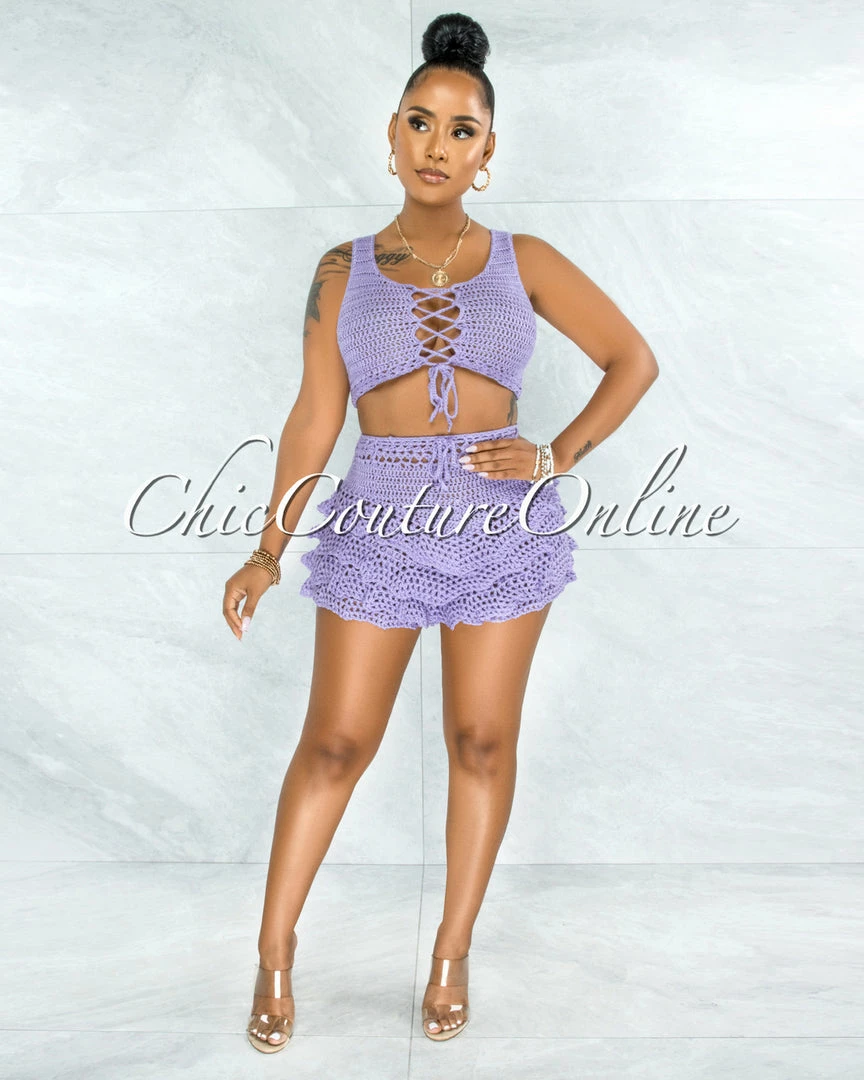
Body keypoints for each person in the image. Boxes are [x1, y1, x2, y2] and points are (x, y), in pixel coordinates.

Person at [223, 11, 658, 1054]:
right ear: (391, 133)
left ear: (487, 151)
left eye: (461, 130)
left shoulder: (523, 259)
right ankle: (275, 950)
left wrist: (554, 456)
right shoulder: (341, 271)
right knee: (336, 743)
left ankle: (452, 951)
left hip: (501, 526)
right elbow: (315, 419)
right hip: (378, 518)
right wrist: (269, 547)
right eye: (420, 122)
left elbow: (632, 360)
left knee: (482, 740)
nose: (437, 145)